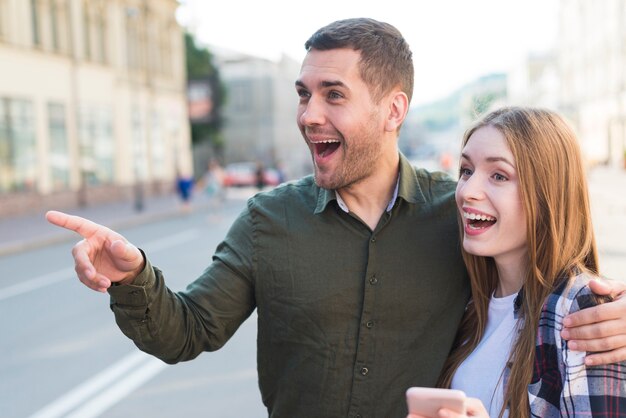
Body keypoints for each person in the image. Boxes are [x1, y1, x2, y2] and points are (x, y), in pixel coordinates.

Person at [45, 19, 626, 417]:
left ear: (393, 109)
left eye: (333, 95)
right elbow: (188, 331)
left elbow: (550, 274)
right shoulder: (267, 220)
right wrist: (132, 275)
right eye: (303, 94)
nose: (309, 114)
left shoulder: (458, 215)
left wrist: (615, 315)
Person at [414, 107, 626, 418]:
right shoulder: (470, 306)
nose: (467, 192)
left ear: (546, 194)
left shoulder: (581, 311)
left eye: (498, 175)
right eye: (466, 170)